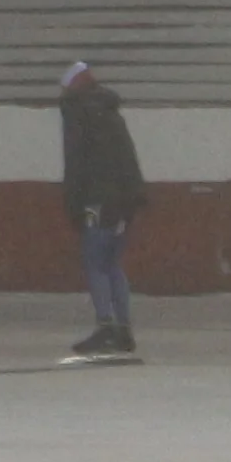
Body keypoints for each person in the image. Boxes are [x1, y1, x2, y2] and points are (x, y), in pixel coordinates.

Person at [58, 61, 147, 359]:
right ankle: (123, 328)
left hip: (97, 200)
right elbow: (128, 157)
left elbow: (76, 163)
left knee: (95, 262)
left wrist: (74, 203)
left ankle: (105, 326)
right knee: (112, 263)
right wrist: (134, 198)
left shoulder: (77, 113)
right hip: (124, 200)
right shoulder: (111, 112)